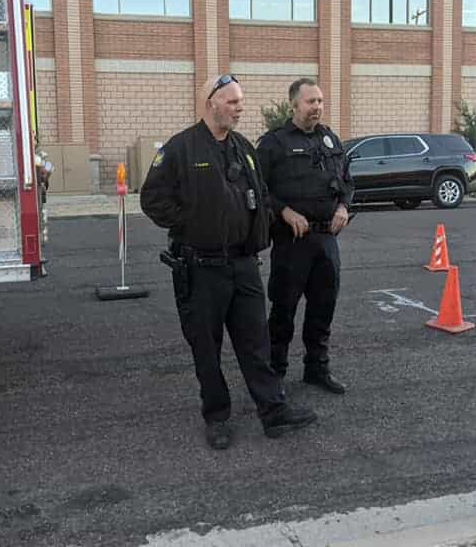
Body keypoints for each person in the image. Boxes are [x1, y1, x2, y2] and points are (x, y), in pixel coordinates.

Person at [140, 74, 317, 451]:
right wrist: (191, 223)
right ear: (212, 103)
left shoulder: (244, 148)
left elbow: (261, 193)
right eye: (234, 102)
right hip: (201, 268)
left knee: (256, 341)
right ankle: (216, 416)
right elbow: (152, 199)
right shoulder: (180, 148)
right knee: (207, 346)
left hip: (243, 264)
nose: (240, 108)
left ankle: (273, 411)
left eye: (241, 102)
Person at [256, 79, 353, 393]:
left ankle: (317, 368)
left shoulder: (330, 140)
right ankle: (275, 375)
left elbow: (347, 181)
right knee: (284, 309)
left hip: (327, 240)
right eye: (311, 102)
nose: (317, 107)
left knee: (323, 308)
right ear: (294, 105)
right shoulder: (274, 143)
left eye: (321, 101)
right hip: (292, 243)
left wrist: (343, 207)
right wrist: (283, 211)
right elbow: (257, 189)